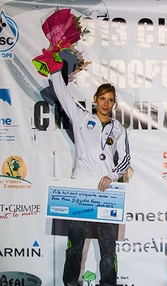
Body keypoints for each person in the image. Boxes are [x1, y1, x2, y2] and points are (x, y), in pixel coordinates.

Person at [51, 71, 131, 286]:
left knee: (108, 247)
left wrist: (111, 175)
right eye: (102, 98)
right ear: (95, 99)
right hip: (81, 189)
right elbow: (62, 93)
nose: (106, 103)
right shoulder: (81, 118)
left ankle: (108, 284)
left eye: (110, 100)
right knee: (75, 244)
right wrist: (54, 67)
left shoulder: (120, 130)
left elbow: (125, 161)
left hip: (105, 192)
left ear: (114, 103)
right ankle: (69, 282)